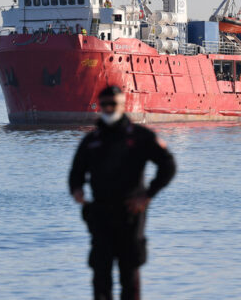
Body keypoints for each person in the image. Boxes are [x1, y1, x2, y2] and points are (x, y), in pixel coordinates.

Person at [69, 85, 176, 300]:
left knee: (130, 275)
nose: (110, 109)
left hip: (130, 213)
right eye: (105, 105)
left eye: (114, 104)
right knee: (101, 277)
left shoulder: (139, 137)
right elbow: (76, 172)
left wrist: (147, 194)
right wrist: (77, 190)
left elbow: (168, 165)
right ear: (101, 106)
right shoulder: (91, 141)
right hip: (100, 214)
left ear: (123, 105)